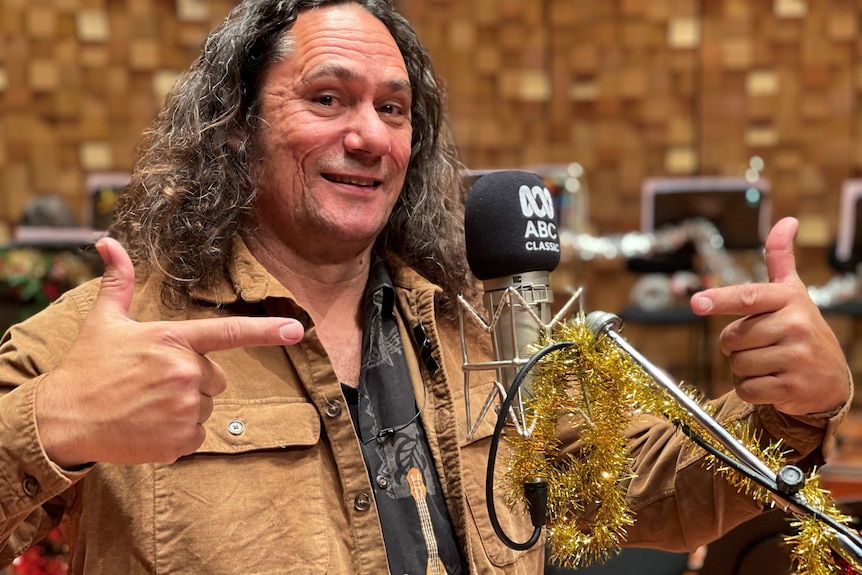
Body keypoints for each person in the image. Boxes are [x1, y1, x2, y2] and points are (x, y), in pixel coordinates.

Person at [0, 0, 850, 573]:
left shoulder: (477, 325)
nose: (369, 135)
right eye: (327, 98)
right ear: (234, 130)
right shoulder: (114, 336)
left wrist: (794, 407)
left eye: (395, 110)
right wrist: (57, 424)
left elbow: (656, 486)